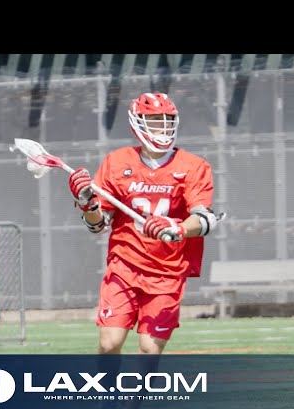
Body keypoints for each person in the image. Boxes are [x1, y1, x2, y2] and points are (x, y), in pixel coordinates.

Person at [68, 92, 225, 357]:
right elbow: (98, 225)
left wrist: (177, 228)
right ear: (137, 123)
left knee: (149, 349)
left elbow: (204, 219)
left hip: (168, 271)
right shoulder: (117, 162)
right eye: (154, 121)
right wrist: (87, 203)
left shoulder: (194, 166)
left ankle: (135, 388)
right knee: (109, 344)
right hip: (124, 265)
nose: (162, 127)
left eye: (167, 120)